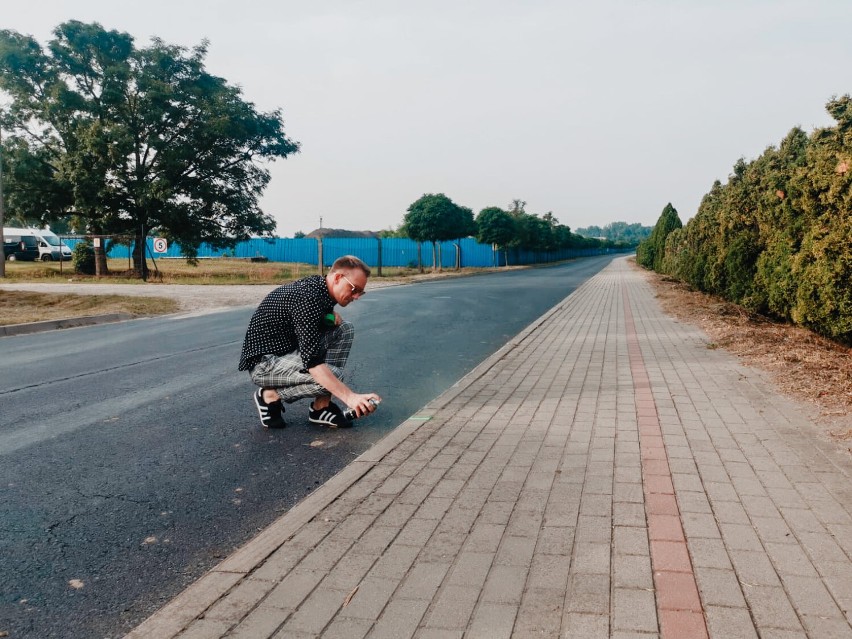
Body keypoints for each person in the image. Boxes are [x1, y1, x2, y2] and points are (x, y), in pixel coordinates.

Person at [238, 255, 381, 429]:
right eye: (354, 289)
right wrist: (350, 397)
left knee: (344, 329)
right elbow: (312, 361)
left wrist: (327, 316)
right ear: (337, 278)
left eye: (361, 292)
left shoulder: (321, 290)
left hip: (287, 353)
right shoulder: (308, 297)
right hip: (264, 363)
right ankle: (269, 395)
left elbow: (307, 326)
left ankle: (321, 407)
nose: (357, 296)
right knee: (332, 375)